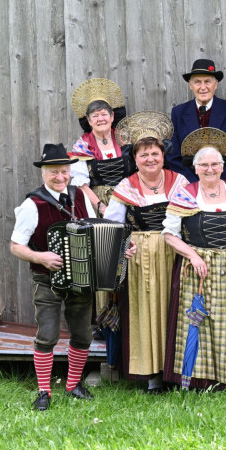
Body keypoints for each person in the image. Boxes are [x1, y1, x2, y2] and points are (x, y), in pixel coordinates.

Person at [10, 143, 135, 410]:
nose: (59, 177)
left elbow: (97, 229)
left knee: (82, 335)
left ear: (69, 172)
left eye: (64, 171)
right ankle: (44, 391)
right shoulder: (33, 204)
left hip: (83, 279)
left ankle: (73, 385)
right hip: (48, 280)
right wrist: (41, 257)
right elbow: (15, 246)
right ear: (43, 173)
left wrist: (123, 247)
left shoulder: (80, 196)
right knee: (47, 335)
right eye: (53, 172)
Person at [161, 130, 226, 390]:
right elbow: (169, 235)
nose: (210, 169)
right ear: (195, 167)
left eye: (215, 164)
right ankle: (201, 378)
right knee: (201, 321)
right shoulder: (185, 194)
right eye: (203, 164)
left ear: (223, 166)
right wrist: (192, 256)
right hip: (198, 267)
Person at [103, 117, 189, 391]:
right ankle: (151, 372)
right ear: (135, 158)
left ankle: (177, 371)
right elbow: (113, 227)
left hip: (175, 255)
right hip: (142, 261)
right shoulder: (125, 187)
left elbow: (193, 217)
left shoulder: (180, 182)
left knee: (176, 310)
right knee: (147, 313)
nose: (150, 159)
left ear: (163, 156)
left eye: (155, 153)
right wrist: (123, 247)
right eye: (144, 154)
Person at [169, 59, 226, 182]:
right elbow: (174, 157)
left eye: (207, 82)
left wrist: (218, 180)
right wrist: (194, 182)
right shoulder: (178, 112)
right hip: (190, 182)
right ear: (190, 85)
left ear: (216, 84)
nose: (203, 87)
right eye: (197, 82)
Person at [68, 78, 130, 217]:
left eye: (104, 114)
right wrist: (102, 208)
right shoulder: (82, 145)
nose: (100, 119)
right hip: (96, 204)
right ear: (89, 121)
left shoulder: (125, 139)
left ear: (112, 116)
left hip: (127, 200)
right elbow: (81, 184)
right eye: (95, 116)